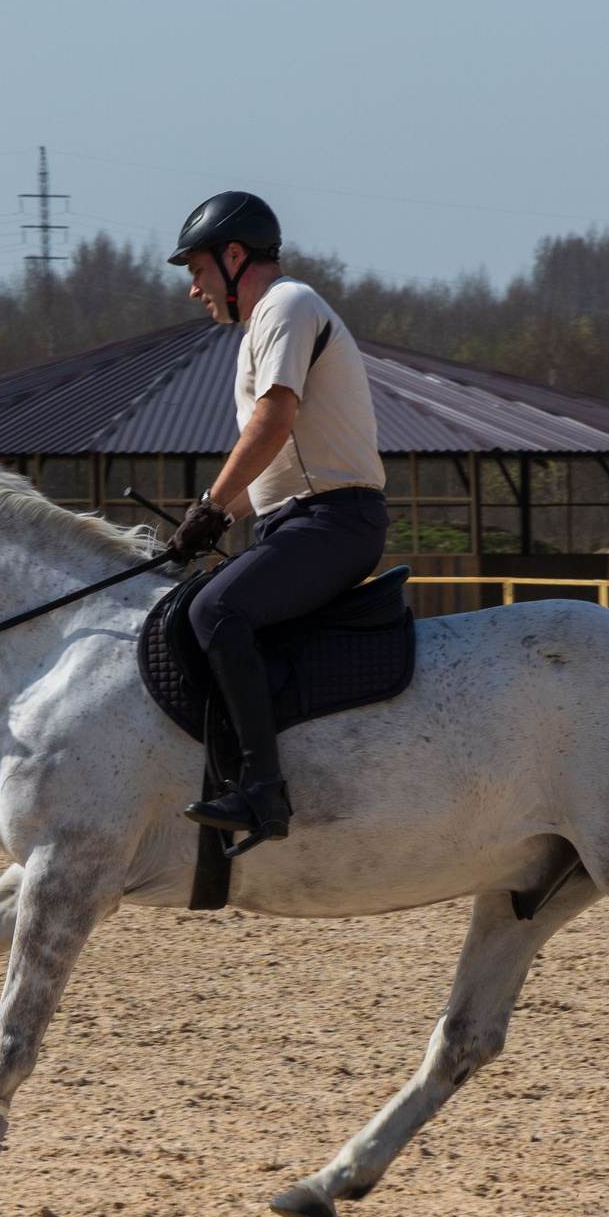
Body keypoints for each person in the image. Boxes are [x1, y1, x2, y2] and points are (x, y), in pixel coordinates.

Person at [162, 191, 388, 853]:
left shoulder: (288, 305)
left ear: (235, 257)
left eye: (198, 271)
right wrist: (205, 524)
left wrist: (209, 505)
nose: (194, 290)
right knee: (195, 605)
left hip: (332, 520)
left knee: (216, 613)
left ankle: (264, 790)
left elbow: (274, 420)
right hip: (295, 521)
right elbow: (274, 463)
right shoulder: (264, 324)